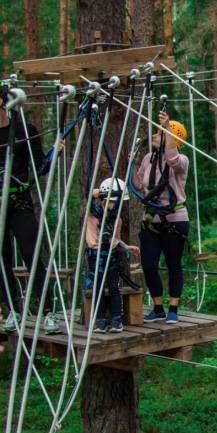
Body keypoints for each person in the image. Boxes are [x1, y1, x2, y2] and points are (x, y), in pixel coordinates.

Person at [0, 88, 60, 336]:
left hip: (20, 201)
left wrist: (54, 153)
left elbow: (39, 167)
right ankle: (12, 310)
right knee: (2, 259)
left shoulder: (24, 130)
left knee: (31, 254)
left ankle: (47, 312)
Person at [134, 111, 189, 325]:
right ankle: (158, 307)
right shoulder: (150, 158)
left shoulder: (181, 160)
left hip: (175, 219)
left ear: (172, 138)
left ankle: (173, 307)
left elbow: (173, 159)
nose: (155, 136)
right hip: (152, 220)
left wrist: (167, 130)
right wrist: (134, 163)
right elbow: (139, 185)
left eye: (160, 133)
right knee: (149, 264)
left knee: (174, 263)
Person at [85, 178, 139, 333]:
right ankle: (100, 321)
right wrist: (101, 193)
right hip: (95, 255)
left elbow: (114, 239)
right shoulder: (93, 213)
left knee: (114, 287)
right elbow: (91, 197)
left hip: (111, 255)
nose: (115, 206)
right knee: (98, 288)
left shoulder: (117, 219)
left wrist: (126, 247)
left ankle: (117, 320)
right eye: (113, 202)